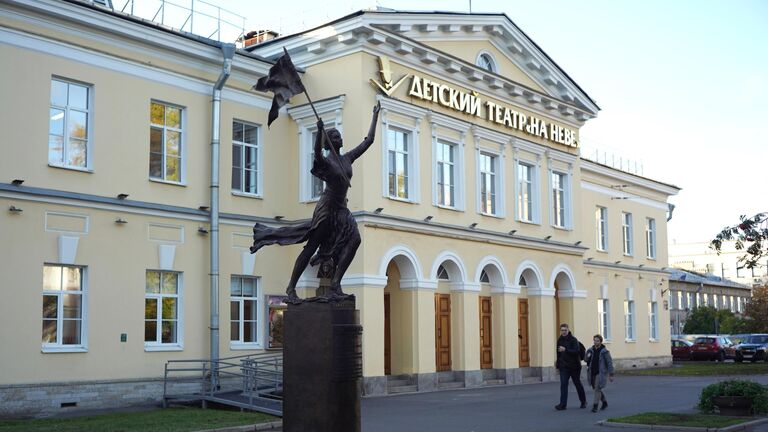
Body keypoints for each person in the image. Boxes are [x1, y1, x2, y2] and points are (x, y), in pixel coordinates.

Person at [250, 102, 381, 303]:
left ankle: (336, 284)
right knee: (311, 247)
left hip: (342, 210)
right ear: (329, 142)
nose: (339, 138)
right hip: (327, 208)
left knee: (354, 240)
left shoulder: (347, 158)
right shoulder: (326, 161)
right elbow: (318, 154)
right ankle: (291, 288)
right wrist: (319, 132)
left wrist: (375, 115)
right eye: (335, 136)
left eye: (339, 135)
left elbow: (369, 141)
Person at [554, 323, 587, 410]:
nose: (563, 332)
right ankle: (563, 404)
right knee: (563, 384)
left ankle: (583, 401)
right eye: (562, 330)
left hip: (574, 366)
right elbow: (558, 353)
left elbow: (576, 351)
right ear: (560, 331)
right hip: (564, 367)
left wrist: (566, 350)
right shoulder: (559, 340)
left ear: (568, 330)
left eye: (565, 330)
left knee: (577, 383)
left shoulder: (573, 340)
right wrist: (557, 365)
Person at [585, 334, 614, 413]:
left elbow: (609, 363)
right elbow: (585, 359)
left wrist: (611, 374)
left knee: (597, 389)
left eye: (597, 341)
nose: (595, 342)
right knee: (596, 388)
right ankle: (604, 402)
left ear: (601, 342)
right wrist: (587, 356)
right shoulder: (591, 350)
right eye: (594, 340)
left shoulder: (604, 352)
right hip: (592, 372)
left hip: (600, 373)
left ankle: (595, 406)